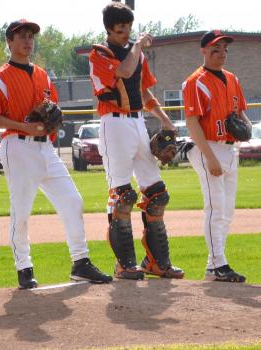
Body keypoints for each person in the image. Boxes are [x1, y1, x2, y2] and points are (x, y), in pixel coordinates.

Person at [0, 19, 112, 290]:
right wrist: (22, 125)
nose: (28, 41)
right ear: (10, 41)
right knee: (22, 210)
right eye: (21, 36)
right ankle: (23, 267)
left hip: (45, 147)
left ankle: (80, 262)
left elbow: (51, 108)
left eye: (30, 36)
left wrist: (53, 121)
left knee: (72, 200)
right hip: (17, 146)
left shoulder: (42, 74)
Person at [88, 3, 184, 280]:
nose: (126, 33)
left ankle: (156, 262)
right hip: (114, 124)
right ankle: (124, 264)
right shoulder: (100, 54)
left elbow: (142, 90)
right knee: (123, 196)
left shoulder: (134, 53)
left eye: (128, 28)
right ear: (108, 29)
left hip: (137, 122)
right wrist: (139, 46)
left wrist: (164, 119)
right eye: (120, 29)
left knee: (157, 194)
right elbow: (125, 72)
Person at [182, 30, 252, 283]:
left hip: (230, 149)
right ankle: (218, 264)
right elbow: (192, 122)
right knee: (216, 208)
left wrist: (247, 128)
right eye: (215, 48)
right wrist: (209, 157)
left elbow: (241, 112)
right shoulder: (195, 81)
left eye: (224, 48)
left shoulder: (232, 78)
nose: (221, 53)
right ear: (203, 51)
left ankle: (215, 265)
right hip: (207, 147)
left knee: (227, 211)